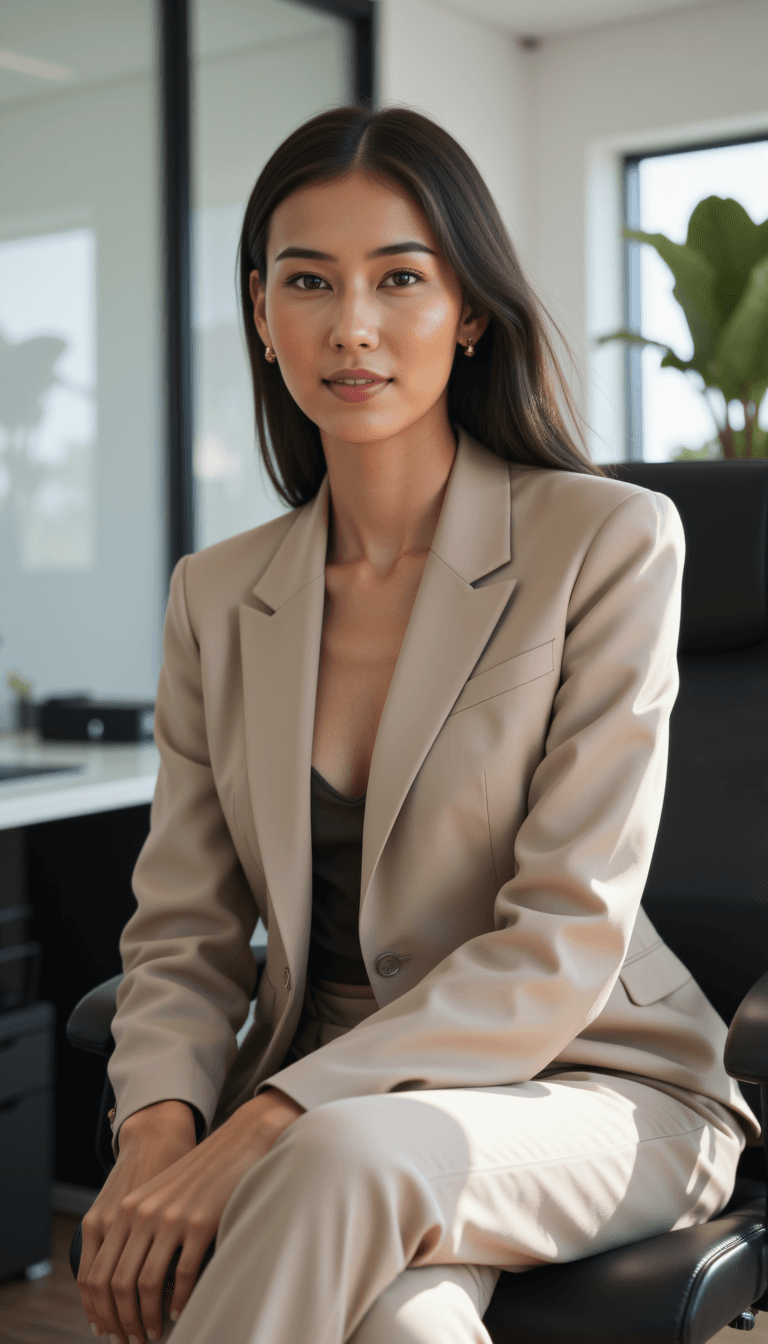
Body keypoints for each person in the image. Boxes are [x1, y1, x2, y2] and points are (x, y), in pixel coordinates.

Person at [75, 105, 758, 1344]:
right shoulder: (216, 595)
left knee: (338, 1161)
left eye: (400, 278)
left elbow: (563, 937)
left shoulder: (605, 542)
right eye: (309, 281)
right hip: (345, 1104)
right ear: (261, 312)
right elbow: (183, 934)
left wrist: (268, 1119)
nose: (353, 325)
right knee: (406, 1325)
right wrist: (156, 1137)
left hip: (596, 1079)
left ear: (471, 311)